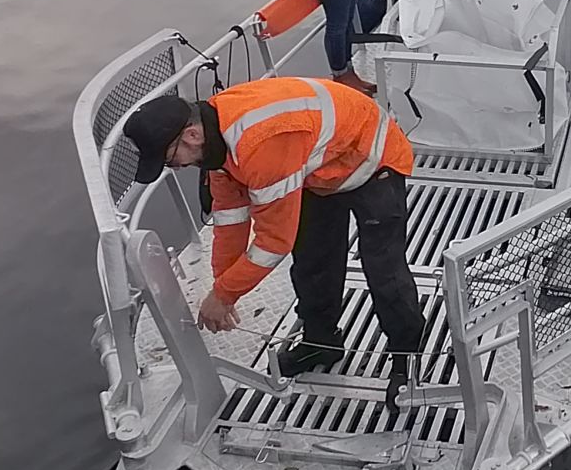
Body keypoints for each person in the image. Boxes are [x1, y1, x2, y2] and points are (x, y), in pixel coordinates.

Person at [122, 79, 425, 387]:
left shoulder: (258, 144)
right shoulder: (215, 146)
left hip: (372, 157)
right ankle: (321, 344)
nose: (172, 167)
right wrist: (222, 288)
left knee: (384, 269)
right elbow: (230, 221)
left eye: (169, 158)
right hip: (318, 167)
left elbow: (274, 242)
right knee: (312, 260)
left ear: (191, 135)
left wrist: (225, 294)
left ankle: (407, 356)